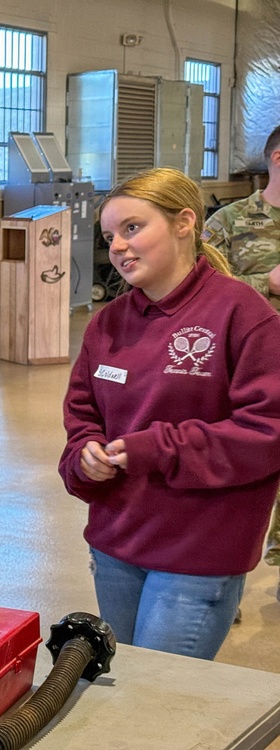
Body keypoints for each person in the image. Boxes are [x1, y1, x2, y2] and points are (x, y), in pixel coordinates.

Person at [59, 167, 280, 660]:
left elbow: (266, 431)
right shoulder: (108, 324)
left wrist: (154, 449)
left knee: (159, 703)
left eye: (132, 228)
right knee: (121, 688)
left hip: (198, 550)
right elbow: (82, 413)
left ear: (184, 223)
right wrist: (85, 456)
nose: (118, 246)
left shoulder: (242, 314)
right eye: (109, 235)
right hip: (118, 541)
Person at [202, 126, 280, 600]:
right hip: (244, 380)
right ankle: (214, 583)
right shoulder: (230, 223)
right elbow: (197, 294)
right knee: (234, 484)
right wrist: (266, 284)